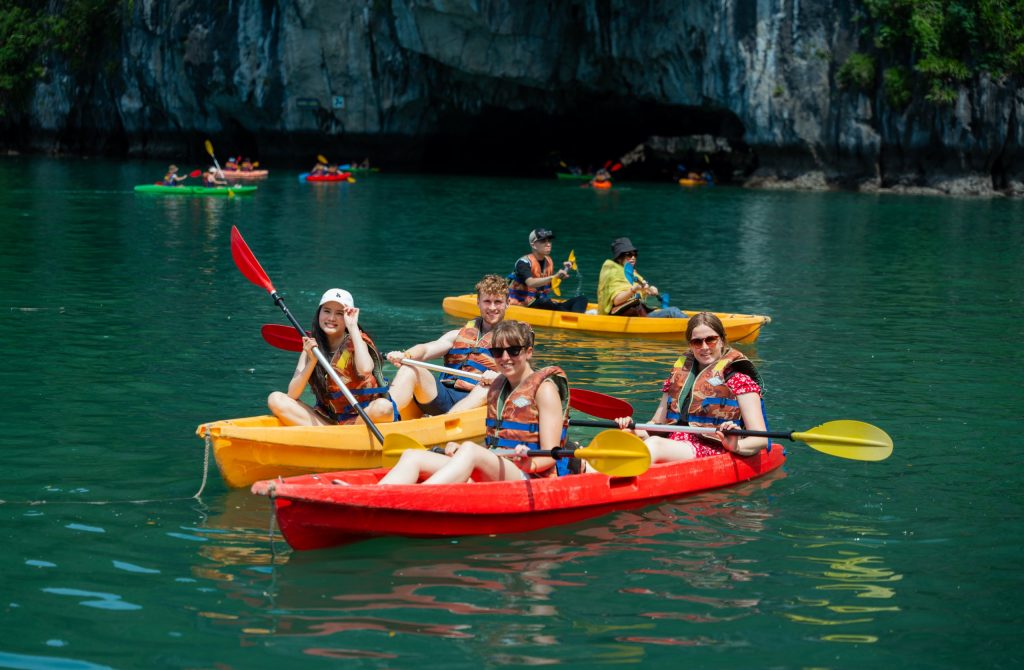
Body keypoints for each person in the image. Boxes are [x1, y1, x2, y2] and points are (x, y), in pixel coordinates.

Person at [379, 320, 570, 485]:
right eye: (497, 352)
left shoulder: (544, 390)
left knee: (470, 450)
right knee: (413, 456)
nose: (505, 358)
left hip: (532, 476)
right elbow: (494, 445)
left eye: (513, 351)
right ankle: (374, 496)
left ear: (528, 352)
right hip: (501, 467)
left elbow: (551, 455)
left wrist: (529, 463)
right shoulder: (497, 387)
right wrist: (460, 450)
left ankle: (415, 497)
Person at [613, 311, 768, 463]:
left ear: (721, 340)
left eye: (711, 340)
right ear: (690, 345)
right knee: (624, 437)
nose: (704, 347)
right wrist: (635, 429)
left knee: (655, 444)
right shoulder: (678, 377)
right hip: (673, 443)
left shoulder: (740, 380)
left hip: (714, 448)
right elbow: (657, 423)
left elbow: (760, 439)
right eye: (697, 342)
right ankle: (591, 471)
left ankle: (610, 477)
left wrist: (736, 446)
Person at [267, 288, 397, 426]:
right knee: (275, 399)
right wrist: (312, 361)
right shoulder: (311, 345)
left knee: (383, 407)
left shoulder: (356, 341)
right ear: (319, 313)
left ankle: (341, 437)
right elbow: (292, 394)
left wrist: (352, 327)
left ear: (348, 316)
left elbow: (365, 369)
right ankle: (333, 435)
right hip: (329, 421)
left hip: (364, 419)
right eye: (327, 311)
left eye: (339, 313)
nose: (331, 318)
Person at [386, 274, 508, 416]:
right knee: (410, 368)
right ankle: (386, 412)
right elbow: (425, 350)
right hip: (443, 395)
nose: (492, 307)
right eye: (487, 301)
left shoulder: (513, 342)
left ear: (507, 303)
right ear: (478, 303)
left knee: (487, 388)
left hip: (475, 399)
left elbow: (521, 375)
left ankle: (447, 420)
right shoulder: (456, 335)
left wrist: (499, 377)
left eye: (498, 301)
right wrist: (406, 355)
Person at [597, 237, 687, 318]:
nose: (633, 257)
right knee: (673, 311)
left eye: (635, 254)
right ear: (619, 257)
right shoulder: (614, 273)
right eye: (629, 254)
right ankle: (693, 328)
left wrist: (650, 291)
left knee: (674, 311)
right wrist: (633, 290)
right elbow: (616, 300)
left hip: (638, 313)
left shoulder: (631, 272)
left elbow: (639, 295)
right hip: (629, 316)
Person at [508, 229, 588, 313]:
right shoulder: (523, 263)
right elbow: (530, 282)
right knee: (545, 302)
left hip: (541, 302)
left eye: (549, 241)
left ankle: (574, 317)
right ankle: (568, 314)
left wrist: (563, 272)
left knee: (582, 299)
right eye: (543, 241)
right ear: (534, 245)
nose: (548, 244)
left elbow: (549, 285)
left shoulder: (549, 261)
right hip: (522, 304)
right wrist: (554, 276)